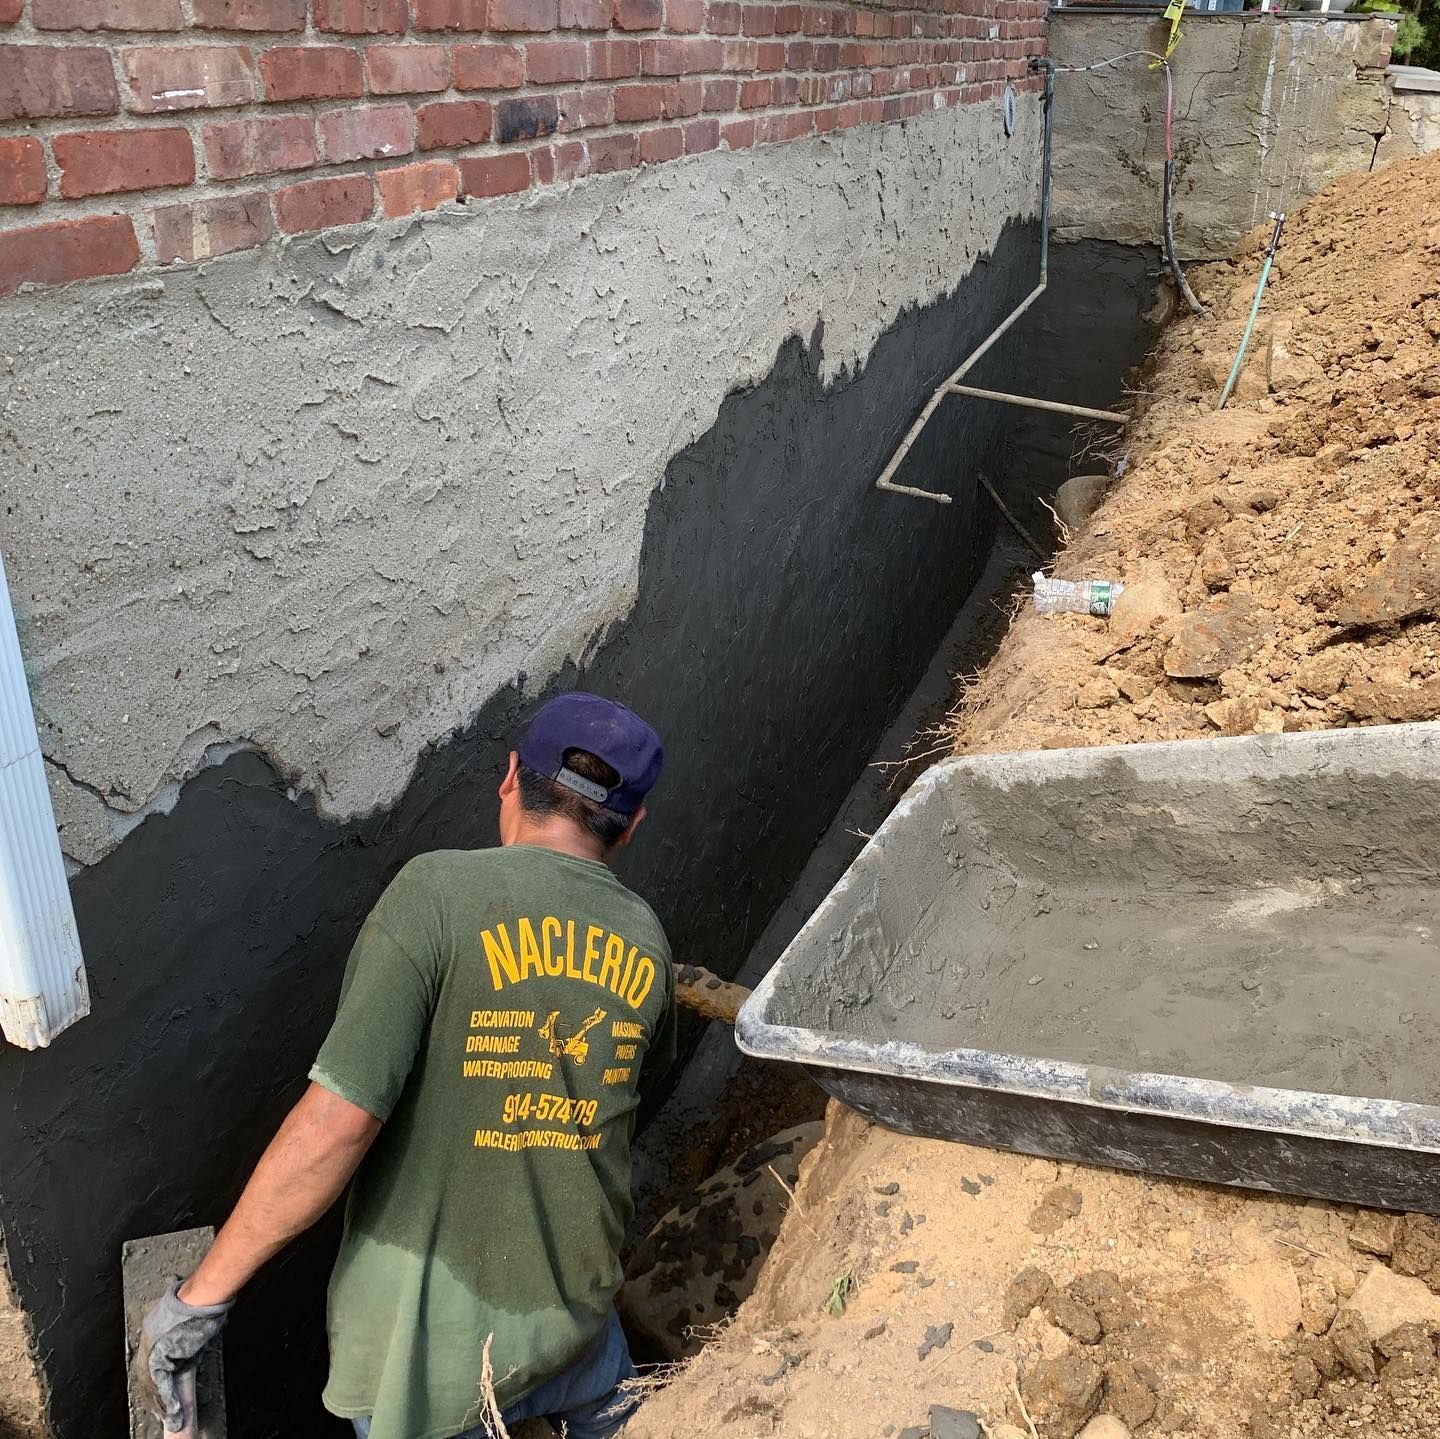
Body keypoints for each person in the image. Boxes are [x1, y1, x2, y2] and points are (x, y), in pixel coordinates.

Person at [142, 692, 674, 1439]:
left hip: (429, 1367)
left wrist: (198, 1301)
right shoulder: (645, 940)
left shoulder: (435, 896)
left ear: (511, 774)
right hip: (576, 1329)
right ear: (633, 825)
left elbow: (338, 1123)